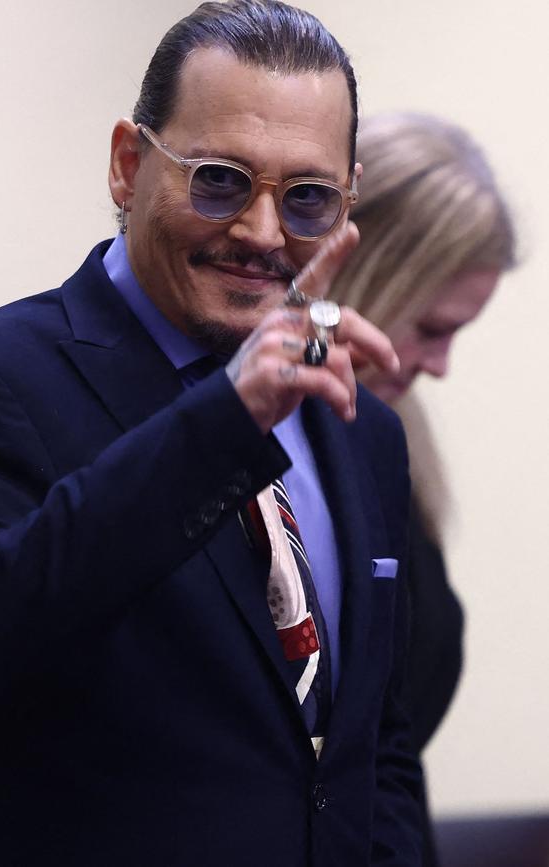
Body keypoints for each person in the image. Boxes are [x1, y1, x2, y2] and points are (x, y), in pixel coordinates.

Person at [0, 4, 423, 865]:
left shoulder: (360, 429)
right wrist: (225, 423)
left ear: (348, 200)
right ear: (126, 164)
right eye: (219, 179)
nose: (260, 233)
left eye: (307, 198)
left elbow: (374, 740)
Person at [331, 111, 516, 865]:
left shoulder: (390, 449)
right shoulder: (237, 457)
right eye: (433, 326)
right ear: (370, 276)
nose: (438, 365)